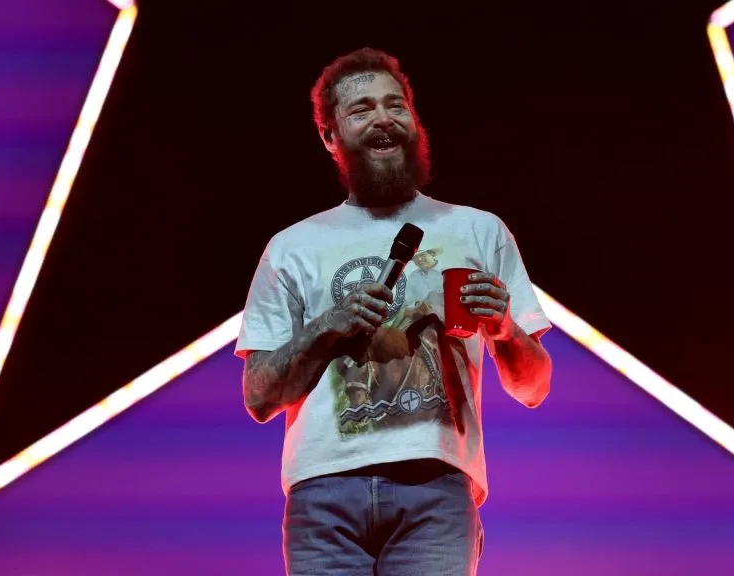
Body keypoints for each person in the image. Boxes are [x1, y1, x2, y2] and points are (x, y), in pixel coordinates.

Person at [235, 47, 553, 576]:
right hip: (323, 495)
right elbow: (258, 397)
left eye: (396, 105)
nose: (384, 118)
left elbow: (534, 387)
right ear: (329, 135)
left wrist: (503, 329)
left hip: (437, 488)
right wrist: (324, 327)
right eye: (361, 110)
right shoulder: (292, 247)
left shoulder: (478, 230)